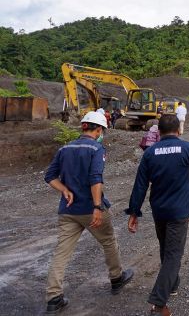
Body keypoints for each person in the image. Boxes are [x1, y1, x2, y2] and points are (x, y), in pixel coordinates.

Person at [43, 111, 134, 314]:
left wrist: (64, 190)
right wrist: (96, 207)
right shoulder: (96, 148)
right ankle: (117, 278)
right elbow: (95, 178)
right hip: (89, 209)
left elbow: (49, 176)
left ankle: (53, 297)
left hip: (68, 210)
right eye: (102, 130)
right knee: (108, 241)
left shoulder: (64, 148)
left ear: (84, 126)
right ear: (99, 129)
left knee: (61, 253)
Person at [126, 114, 189, 316]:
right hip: (179, 211)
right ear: (178, 130)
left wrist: (134, 211)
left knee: (166, 248)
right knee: (173, 254)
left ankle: (173, 284)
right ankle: (158, 303)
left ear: (158, 132)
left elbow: (140, 185)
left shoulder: (150, 153)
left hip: (159, 210)